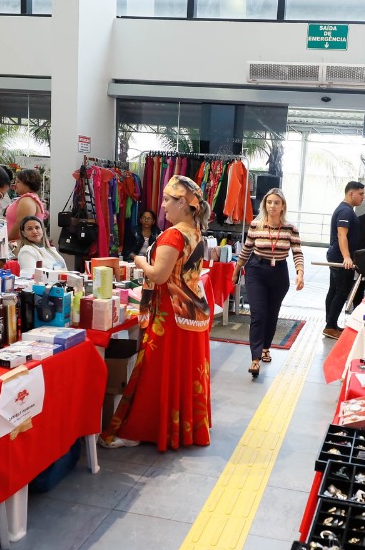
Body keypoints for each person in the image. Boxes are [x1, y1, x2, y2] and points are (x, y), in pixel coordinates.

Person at [100, 175, 212, 451]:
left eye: (166, 200)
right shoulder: (195, 231)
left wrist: (139, 261)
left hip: (169, 314)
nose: (162, 206)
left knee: (156, 372)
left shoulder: (174, 234)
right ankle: (179, 427)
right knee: (182, 371)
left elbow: (159, 276)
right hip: (191, 311)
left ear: (182, 203)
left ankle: (145, 429)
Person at [234, 188, 304, 379]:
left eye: (276, 203)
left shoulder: (290, 229)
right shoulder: (256, 225)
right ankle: (255, 358)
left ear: (283, 206)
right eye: (269, 202)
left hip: (279, 273)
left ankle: (266, 347)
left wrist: (300, 273)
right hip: (256, 271)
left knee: (272, 314)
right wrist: (237, 269)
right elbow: (246, 249)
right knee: (258, 314)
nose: (272, 206)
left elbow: (297, 252)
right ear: (264, 204)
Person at [323, 181, 365, 339]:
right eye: (360, 194)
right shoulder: (345, 211)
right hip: (340, 257)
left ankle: (331, 324)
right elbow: (342, 235)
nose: (363, 197)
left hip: (337, 255)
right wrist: (347, 257)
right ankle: (330, 326)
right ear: (351, 193)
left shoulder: (346, 210)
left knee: (334, 290)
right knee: (342, 291)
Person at [5, 168, 47, 240]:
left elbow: (21, 225)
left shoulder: (27, 200)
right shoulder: (30, 198)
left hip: (20, 243)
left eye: (18, 182)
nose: (15, 185)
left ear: (27, 183)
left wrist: (7, 239)